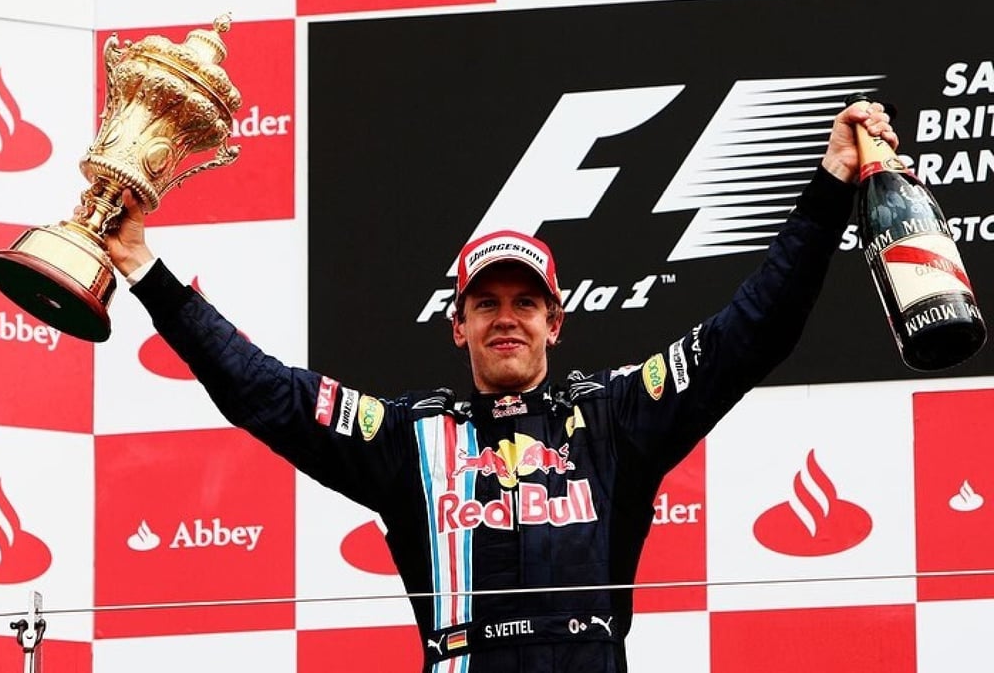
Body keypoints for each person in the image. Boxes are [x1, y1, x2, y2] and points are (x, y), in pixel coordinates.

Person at [102, 101, 897, 672]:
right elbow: (265, 393)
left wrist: (831, 184)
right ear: (459, 326)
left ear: (557, 321)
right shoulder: (409, 438)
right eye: (486, 304)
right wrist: (142, 267)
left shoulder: (615, 417)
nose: (506, 319)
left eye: (525, 303)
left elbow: (753, 332)